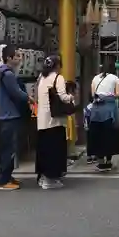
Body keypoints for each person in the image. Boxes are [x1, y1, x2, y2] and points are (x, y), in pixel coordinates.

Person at [0, 45, 34, 191]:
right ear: (9, 58)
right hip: (9, 116)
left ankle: (7, 176)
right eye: (17, 56)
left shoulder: (4, 72)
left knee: (10, 148)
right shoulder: (8, 74)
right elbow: (16, 93)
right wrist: (29, 98)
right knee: (9, 149)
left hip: (8, 115)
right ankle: (3, 181)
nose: (19, 58)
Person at [36, 55, 73, 189]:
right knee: (55, 150)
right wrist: (72, 97)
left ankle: (42, 177)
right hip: (54, 120)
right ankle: (50, 179)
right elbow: (63, 97)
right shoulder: (58, 78)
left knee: (44, 149)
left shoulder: (41, 77)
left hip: (42, 120)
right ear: (58, 66)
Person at [85, 60, 119, 170]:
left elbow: (92, 94)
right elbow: (117, 94)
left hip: (96, 110)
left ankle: (100, 161)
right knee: (110, 134)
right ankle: (109, 161)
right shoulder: (115, 78)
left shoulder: (95, 78)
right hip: (109, 109)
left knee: (97, 134)